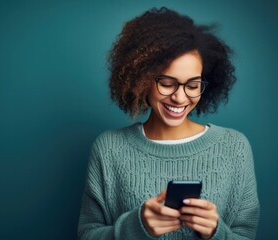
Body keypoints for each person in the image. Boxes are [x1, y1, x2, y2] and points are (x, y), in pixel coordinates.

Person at [78, 7, 259, 240]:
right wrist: (137, 226)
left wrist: (216, 232)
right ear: (141, 79)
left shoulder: (235, 147)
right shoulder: (108, 148)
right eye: (167, 83)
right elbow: (87, 235)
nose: (180, 98)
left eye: (192, 85)